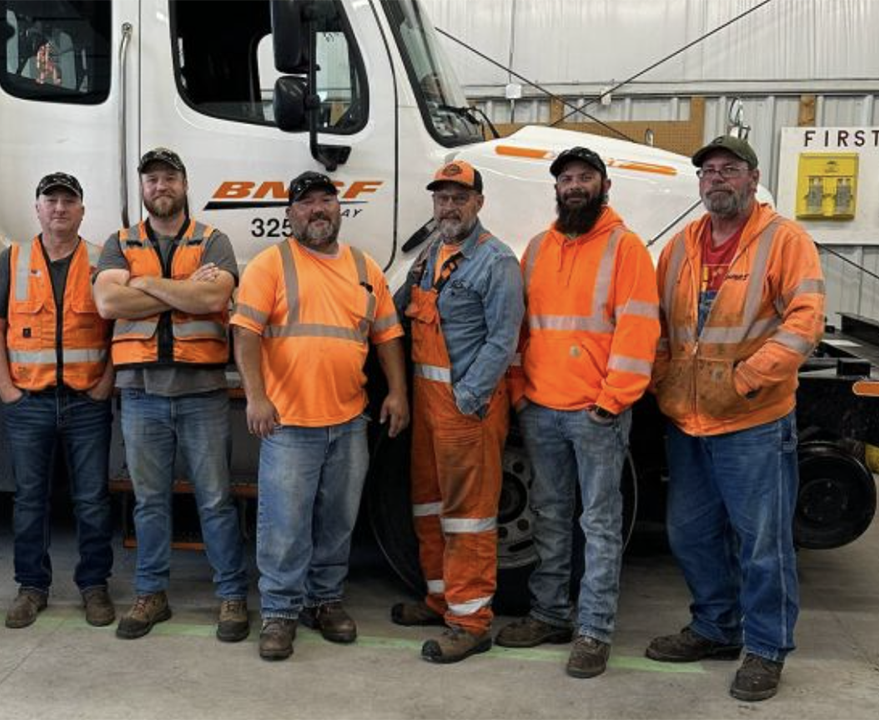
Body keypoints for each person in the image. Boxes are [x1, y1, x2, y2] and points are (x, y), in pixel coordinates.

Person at [646, 136, 825, 702]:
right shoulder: (681, 246)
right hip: (688, 420)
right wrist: (663, 379)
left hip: (754, 421)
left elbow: (805, 322)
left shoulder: (784, 241)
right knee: (690, 533)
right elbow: (657, 324)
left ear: (753, 178)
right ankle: (716, 627)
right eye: (708, 171)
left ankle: (767, 648)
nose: (716, 179)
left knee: (763, 543)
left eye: (729, 169)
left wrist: (747, 380)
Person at [495, 147, 660, 679]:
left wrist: (611, 402)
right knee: (549, 514)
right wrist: (519, 391)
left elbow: (639, 331)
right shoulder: (538, 249)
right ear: (557, 189)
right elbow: (521, 328)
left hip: (596, 415)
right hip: (541, 409)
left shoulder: (626, 248)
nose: (574, 186)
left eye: (585, 177)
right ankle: (550, 615)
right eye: (566, 178)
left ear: (604, 186)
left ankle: (594, 630)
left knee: (601, 524)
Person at [232, 171, 409, 661]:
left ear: (338, 207)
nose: (317, 209)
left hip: (349, 421)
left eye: (325, 200)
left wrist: (398, 392)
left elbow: (388, 336)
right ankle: (280, 611)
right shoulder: (271, 263)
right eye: (306, 202)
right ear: (291, 214)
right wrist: (255, 397)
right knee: (284, 526)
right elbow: (245, 333)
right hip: (288, 423)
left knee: (337, 522)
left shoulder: (364, 267)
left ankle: (324, 601)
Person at [92, 148, 249, 642]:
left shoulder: (213, 240)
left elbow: (213, 297)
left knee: (216, 500)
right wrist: (180, 289)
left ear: (184, 184)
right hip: (141, 394)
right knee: (149, 501)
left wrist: (144, 284)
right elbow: (107, 301)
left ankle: (231, 596)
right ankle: (151, 594)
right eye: (152, 179)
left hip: (203, 391)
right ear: (142, 189)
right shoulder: (120, 242)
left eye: (169, 178)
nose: (160, 186)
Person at [391, 161, 523, 663]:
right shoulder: (431, 254)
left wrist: (468, 399)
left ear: (479, 203)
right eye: (442, 198)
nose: (449, 207)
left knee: (468, 517)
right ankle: (441, 600)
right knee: (428, 506)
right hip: (428, 407)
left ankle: (470, 623)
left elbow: (503, 340)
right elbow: (399, 310)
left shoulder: (497, 261)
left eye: (459, 198)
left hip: (467, 410)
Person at [0, 172, 117, 629]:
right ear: (37, 208)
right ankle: (31, 587)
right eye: (51, 200)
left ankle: (94, 586)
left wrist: (106, 383)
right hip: (29, 404)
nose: (60, 208)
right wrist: (6, 389)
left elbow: (121, 329)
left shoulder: (103, 261)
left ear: (82, 210)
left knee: (93, 500)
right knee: (29, 501)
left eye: (68, 201)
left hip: (86, 402)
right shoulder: (12, 260)